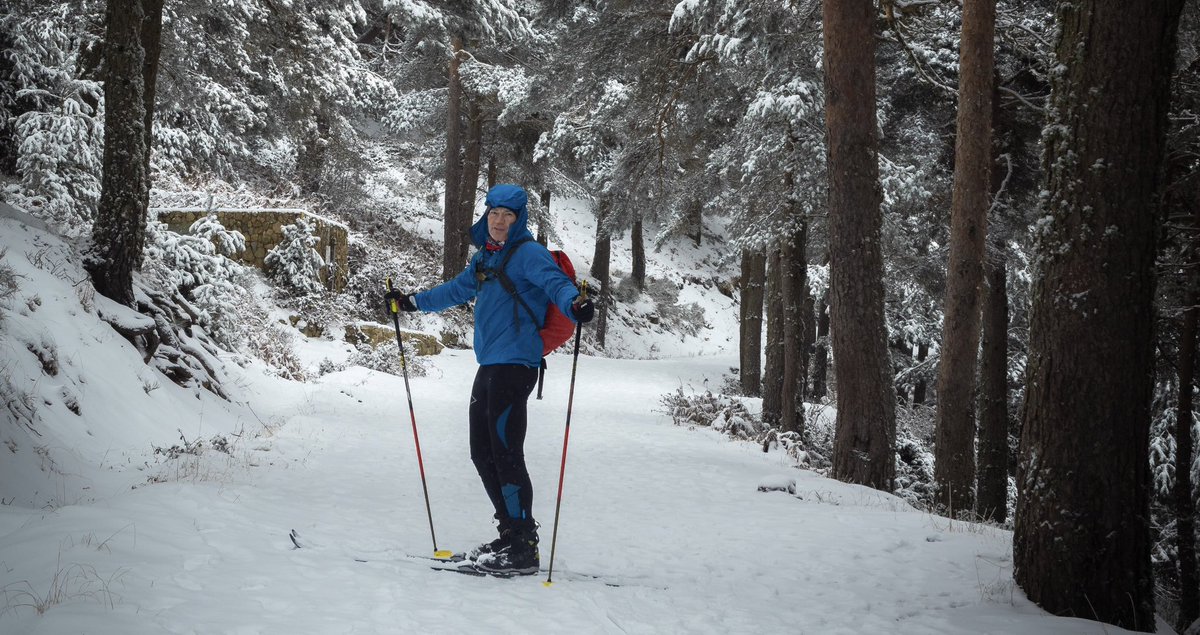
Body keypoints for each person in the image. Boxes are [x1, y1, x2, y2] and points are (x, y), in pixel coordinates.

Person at [386, 183, 594, 575]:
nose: (499, 221)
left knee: (505, 452)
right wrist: (410, 302)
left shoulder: (528, 254)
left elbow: (556, 284)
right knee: (481, 451)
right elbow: (457, 290)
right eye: (494, 213)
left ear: (519, 220)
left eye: (508, 215)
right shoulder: (486, 259)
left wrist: (575, 303)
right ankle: (509, 533)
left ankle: (523, 547)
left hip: (516, 365)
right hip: (490, 364)